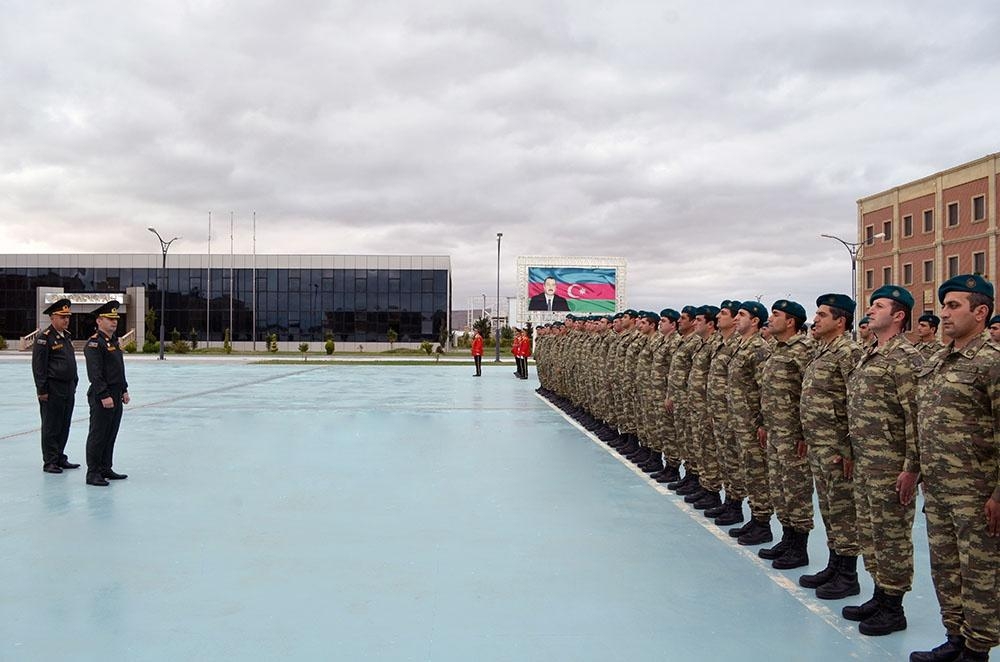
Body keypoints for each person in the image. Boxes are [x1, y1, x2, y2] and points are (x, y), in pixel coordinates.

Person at [910, 274, 1000, 662]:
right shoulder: (938, 359)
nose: (944, 314)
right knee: (946, 568)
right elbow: (922, 419)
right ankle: (955, 638)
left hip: (977, 493)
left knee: (980, 574)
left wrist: (998, 493)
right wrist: (914, 469)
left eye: (954, 306)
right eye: (944, 306)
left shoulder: (990, 363)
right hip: (939, 489)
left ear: (980, 312)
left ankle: (977, 649)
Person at [845, 284, 921, 636]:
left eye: (878, 306)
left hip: (891, 465)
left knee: (892, 536)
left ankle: (894, 607)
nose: (870, 310)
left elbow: (914, 417)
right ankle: (879, 593)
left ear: (899, 315)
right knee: (871, 532)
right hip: (865, 461)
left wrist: (910, 468)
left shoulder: (906, 359)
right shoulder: (869, 352)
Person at [83, 300, 130, 486]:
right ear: (99, 321)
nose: (114, 322)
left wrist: (124, 389)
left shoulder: (113, 341)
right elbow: (95, 374)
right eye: (109, 319)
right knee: (98, 434)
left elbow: (119, 368)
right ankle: (93, 472)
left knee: (111, 433)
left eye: (115, 319)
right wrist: (104, 395)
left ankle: (105, 467)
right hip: (103, 395)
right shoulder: (94, 344)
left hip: (116, 393)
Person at [32, 298, 80, 474]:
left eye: (67, 317)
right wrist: (42, 390)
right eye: (62, 317)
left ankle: (59, 456)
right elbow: (39, 367)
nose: (66, 320)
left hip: (68, 388)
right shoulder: (44, 339)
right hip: (52, 389)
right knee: (51, 425)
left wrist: (74, 381)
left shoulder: (66, 337)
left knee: (64, 423)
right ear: (52, 318)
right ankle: (50, 461)